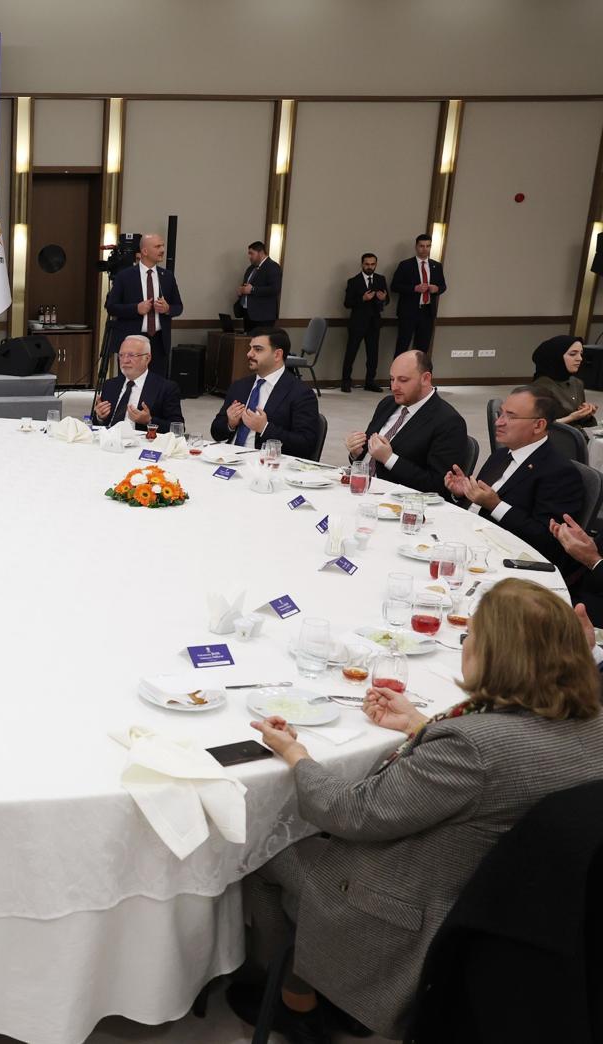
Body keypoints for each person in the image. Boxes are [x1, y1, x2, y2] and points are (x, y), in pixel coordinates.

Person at [231, 578, 603, 1041]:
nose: (465, 645)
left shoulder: (470, 747)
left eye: (470, 637)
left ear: (494, 655)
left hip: (410, 913)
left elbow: (350, 813)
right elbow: (504, 771)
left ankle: (295, 996)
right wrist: (419, 724)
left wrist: (294, 753)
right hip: (510, 908)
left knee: (266, 853)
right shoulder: (592, 723)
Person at [444, 386, 583, 566]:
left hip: (505, 559)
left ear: (538, 425)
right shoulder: (501, 455)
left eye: (510, 417)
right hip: (466, 539)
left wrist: (496, 505)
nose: (498, 422)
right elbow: (477, 506)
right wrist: (463, 494)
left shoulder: (559, 472)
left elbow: (547, 541)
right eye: (500, 414)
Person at [342, 350, 466, 498]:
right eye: (392, 379)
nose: (394, 387)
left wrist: (389, 459)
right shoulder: (387, 404)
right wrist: (357, 452)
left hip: (397, 501)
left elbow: (437, 486)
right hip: (360, 490)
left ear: (425, 379)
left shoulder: (449, 422)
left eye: (403, 380)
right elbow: (369, 457)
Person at [209, 328, 322, 458]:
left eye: (257, 349)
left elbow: (306, 445)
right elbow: (216, 433)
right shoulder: (239, 386)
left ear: (277, 355)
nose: (249, 354)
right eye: (250, 348)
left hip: (266, 463)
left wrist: (265, 428)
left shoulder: (301, 393)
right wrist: (230, 424)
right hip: (230, 459)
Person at [103, 234, 183, 377]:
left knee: (157, 384)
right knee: (130, 382)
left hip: (159, 342)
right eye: (157, 246)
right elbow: (111, 307)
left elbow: (178, 307)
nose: (162, 250)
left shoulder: (167, 276)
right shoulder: (125, 276)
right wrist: (136, 309)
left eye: (163, 246)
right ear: (145, 251)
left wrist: (167, 309)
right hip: (132, 340)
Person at [91, 334, 184, 430]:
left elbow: (178, 428)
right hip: (110, 437)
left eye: (131, 355)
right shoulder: (110, 385)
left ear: (147, 358)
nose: (125, 360)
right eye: (121, 355)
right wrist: (100, 417)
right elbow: (95, 424)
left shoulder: (166, 388)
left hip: (142, 438)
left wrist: (149, 421)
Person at [339, 253, 389, 392]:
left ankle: (370, 382)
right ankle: (346, 382)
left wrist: (383, 299)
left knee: (373, 354)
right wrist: (362, 299)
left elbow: (387, 300)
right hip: (357, 322)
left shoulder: (380, 279)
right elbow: (347, 303)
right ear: (362, 264)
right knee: (351, 352)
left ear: (376, 265)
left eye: (372, 264)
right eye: (367, 264)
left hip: (374, 323)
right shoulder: (353, 281)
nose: (369, 267)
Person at [392, 234, 445, 356]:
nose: (425, 249)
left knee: (422, 349)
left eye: (428, 246)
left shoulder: (436, 266)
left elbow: (443, 286)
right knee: (402, 347)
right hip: (408, 312)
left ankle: (419, 370)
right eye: (421, 246)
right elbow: (394, 286)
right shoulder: (405, 265)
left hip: (427, 313)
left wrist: (437, 289)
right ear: (416, 247)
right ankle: (398, 369)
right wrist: (414, 288)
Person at [529, 334, 595, 429]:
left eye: (581, 354)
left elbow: (580, 421)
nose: (580, 358)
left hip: (577, 433)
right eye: (573, 354)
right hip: (554, 435)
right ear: (556, 357)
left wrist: (585, 412)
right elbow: (536, 426)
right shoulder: (540, 388)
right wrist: (571, 418)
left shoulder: (577, 383)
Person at [234, 240, 281, 330]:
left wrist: (252, 290)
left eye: (251, 253)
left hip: (263, 316)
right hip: (248, 314)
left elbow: (275, 289)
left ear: (261, 253)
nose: (249, 257)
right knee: (248, 339)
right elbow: (246, 286)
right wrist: (241, 290)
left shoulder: (273, 267)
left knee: (260, 339)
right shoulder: (250, 268)